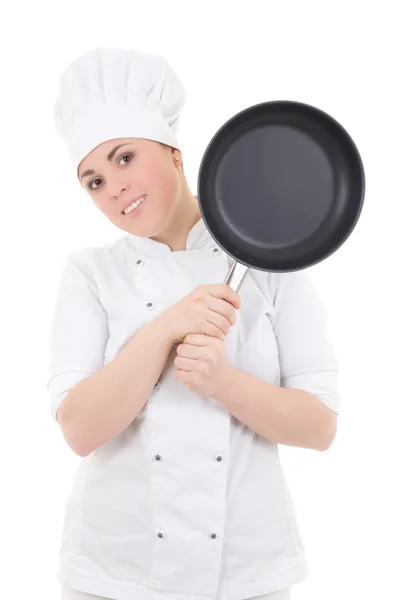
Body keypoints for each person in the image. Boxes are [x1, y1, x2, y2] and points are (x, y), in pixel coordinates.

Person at [47, 47, 340, 600]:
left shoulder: (269, 259)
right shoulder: (90, 274)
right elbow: (79, 430)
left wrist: (224, 384)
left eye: (125, 157)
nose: (115, 187)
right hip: (114, 576)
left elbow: (320, 427)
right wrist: (162, 332)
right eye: (94, 180)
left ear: (176, 155)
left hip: (248, 575)